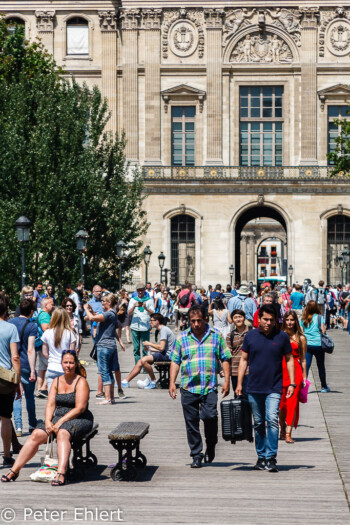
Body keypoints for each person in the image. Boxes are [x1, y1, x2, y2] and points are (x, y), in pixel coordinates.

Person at [1, 349, 93, 485]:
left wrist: (60, 421)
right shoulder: (56, 381)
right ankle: (15, 470)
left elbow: (80, 408)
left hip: (79, 418)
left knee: (62, 433)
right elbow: (50, 405)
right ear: (61, 364)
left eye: (71, 363)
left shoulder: (81, 382)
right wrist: (49, 421)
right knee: (36, 434)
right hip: (58, 416)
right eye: (65, 362)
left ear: (76, 364)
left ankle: (61, 472)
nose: (68, 365)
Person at [169, 305, 231, 468]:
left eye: (199, 321)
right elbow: (175, 361)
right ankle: (196, 454)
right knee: (191, 422)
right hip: (188, 386)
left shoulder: (216, 336)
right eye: (192, 321)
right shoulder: (182, 337)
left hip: (209, 386)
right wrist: (171, 382)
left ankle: (211, 444)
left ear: (205, 319)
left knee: (210, 416)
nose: (196, 324)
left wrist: (227, 381)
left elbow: (225, 358)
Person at [236, 304, 295, 472]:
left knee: (273, 420)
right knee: (259, 423)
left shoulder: (282, 336)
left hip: (274, 386)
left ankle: (271, 457)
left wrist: (292, 382)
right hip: (254, 386)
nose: (268, 323)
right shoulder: (251, 336)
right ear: (259, 319)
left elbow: (289, 359)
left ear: (276, 320)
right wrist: (239, 383)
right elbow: (244, 360)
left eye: (271, 320)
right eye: (265, 319)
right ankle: (261, 456)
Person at [84, 293, 125, 404]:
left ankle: (107, 398)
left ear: (109, 303)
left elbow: (91, 318)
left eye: (103, 301)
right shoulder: (112, 314)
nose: (102, 303)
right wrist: (92, 311)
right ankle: (111, 398)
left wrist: (85, 309)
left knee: (104, 371)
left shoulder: (109, 314)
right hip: (110, 345)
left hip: (104, 345)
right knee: (109, 372)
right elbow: (98, 319)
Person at [122, 313, 176, 390]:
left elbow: (161, 347)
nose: (150, 322)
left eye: (151, 320)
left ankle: (153, 381)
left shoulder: (163, 330)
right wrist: (150, 349)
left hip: (168, 356)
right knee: (141, 361)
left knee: (144, 360)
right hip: (166, 353)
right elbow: (163, 348)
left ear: (157, 321)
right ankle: (126, 381)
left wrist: (149, 343)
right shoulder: (163, 329)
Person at [9, 299, 38, 437]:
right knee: (30, 397)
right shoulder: (32, 326)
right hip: (26, 365)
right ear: (31, 312)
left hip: (12, 365)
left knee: (16, 396)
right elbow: (31, 349)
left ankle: (19, 427)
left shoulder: (10, 323)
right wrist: (33, 370)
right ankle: (32, 425)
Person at [279, 311, 307, 443]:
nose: (290, 322)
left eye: (292, 320)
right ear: (284, 320)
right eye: (287, 320)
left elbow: (303, 359)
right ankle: (282, 428)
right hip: (280, 371)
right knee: (281, 404)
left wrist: (305, 378)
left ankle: (288, 433)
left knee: (292, 403)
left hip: (295, 373)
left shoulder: (301, 338)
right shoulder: (279, 335)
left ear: (296, 321)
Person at [0, 295, 21, 467]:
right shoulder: (10, 328)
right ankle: (7, 456)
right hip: (4, 378)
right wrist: (18, 382)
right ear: (6, 311)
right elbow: (15, 357)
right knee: (6, 417)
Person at [41, 307, 76, 392]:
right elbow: (72, 353)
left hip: (52, 367)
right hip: (65, 369)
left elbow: (45, 353)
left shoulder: (47, 333)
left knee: (51, 398)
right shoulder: (70, 333)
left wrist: (51, 357)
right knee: (65, 397)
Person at [300, 300, 330, 393]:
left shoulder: (303, 319)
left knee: (306, 366)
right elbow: (323, 331)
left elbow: (301, 332)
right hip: (318, 345)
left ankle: (303, 386)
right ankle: (324, 387)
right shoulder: (319, 318)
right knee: (321, 366)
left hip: (307, 345)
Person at [128, 283, 154, 365]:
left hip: (145, 327)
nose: (140, 292)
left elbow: (153, 313)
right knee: (136, 348)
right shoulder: (133, 300)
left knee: (145, 348)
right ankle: (137, 365)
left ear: (144, 290)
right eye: (138, 290)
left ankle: (145, 366)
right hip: (135, 327)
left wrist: (146, 307)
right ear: (136, 291)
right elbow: (128, 313)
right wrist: (134, 306)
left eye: (142, 290)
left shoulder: (149, 300)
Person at [35, 297, 55, 399]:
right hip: (46, 345)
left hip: (41, 344)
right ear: (46, 305)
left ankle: (39, 390)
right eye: (51, 304)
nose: (53, 306)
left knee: (42, 368)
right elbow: (45, 327)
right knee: (51, 366)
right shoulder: (45, 315)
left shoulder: (40, 314)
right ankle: (43, 388)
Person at [226, 309, 249, 396]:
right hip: (235, 370)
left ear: (244, 318)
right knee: (238, 397)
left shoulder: (252, 332)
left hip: (249, 370)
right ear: (232, 320)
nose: (238, 319)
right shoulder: (230, 336)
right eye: (235, 317)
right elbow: (228, 353)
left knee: (249, 397)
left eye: (240, 317)